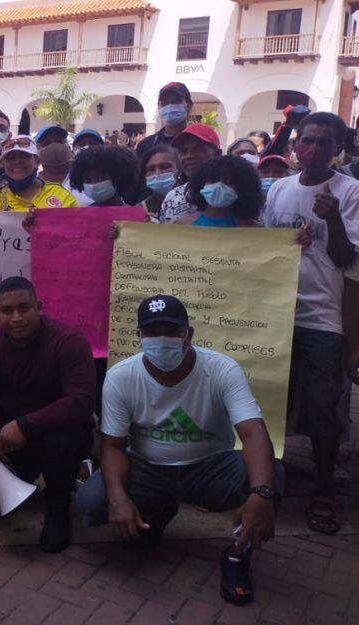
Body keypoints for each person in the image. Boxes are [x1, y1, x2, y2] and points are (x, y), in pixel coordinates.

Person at [75, 295, 282, 605]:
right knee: (92, 500)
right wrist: (118, 498)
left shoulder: (221, 369)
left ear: (189, 334)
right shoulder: (121, 377)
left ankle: (238, 555)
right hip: (149, 469)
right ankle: (156, 512)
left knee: (271, 476)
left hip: (209, 468)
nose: (162, 339)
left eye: (171, 331)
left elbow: (253, 432)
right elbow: (114, 446)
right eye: (152, 331)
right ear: (139, 336)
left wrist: (261, 493)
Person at [262, 112, 359, 535]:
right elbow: (265, 247)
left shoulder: (350, 192)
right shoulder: (279, 189)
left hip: (323, 317)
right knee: (272, 403)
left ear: (338, 149)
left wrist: (332, 219)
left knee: (323, 406)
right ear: (294, 145)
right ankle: (267, 481)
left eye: (325, 142)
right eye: (308, 140)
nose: (315, 149)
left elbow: (347, 260)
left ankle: (324, 488)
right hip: (279, 312)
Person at [0, 277, 95, 552]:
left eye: (24, 308)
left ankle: (57, 510)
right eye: (7, 310)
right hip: (10, 424)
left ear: (39, 306)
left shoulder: (68, 341)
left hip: (55, 427)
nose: (16, 317)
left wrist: (26, 426)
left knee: (62, 442)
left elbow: (80, 401)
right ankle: (17, 474)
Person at [0, 136, 77, 211]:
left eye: (24, 156)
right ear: (3, 165)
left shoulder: (59, 194)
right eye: (10, 158)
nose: (17, 161)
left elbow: (78, 224)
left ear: (37, 161)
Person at [158, 124, 221, 224]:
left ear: (217, 154)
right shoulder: (172, 197)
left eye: (198, 149)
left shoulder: (231, 194)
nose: (189, 156)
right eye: (183, 151)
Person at [179, 155, 263, 227]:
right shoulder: (182, 224)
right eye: (213, 180)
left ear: (244, 189)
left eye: (228, 182)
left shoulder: (252, 229)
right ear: (201, 183)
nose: (219, 186)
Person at [69, 146, 139, 207]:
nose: (93, 184)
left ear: (118, 178)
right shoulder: (82, 215)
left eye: (100, 178)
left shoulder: (133, 215)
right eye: (88, 180)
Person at [136, 82, 192, 158]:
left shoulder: (197, 142)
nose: (169, 106)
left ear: (188, 105)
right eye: (164, 103)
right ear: (159, 108)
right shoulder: (146, 145)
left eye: (176, 101)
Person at [36, 131, 90, 206]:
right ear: (37, 151)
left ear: (69, 147)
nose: (54, 146)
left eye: (59, 141)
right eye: (47, 143)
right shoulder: (31, 183)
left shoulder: (88, 180)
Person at [138, 145, 180, 220]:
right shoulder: (140, 210)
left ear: (179, 170)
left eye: (165, 166)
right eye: (151, 169)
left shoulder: (195, 203)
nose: (157, 173)